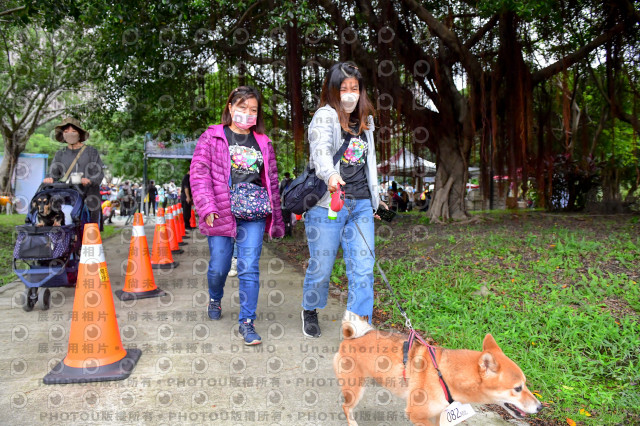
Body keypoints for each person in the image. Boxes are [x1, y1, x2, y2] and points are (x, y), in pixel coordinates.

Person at [190, 85, 285, 345]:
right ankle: (215, 297)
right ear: (230, 108)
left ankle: (247, 322)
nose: (248, 113)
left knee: (249, 266)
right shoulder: (212, 136)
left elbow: (271, 181)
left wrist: (277, 216)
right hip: (220, 210)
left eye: (253, 109)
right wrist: (207, 207)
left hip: (252, 211)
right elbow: (199, 173)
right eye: (242, 107)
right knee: (219, 266)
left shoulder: (263, 142)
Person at [300, 62, 387, 339]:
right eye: (344, 88)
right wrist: (331, 175)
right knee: (321, 267)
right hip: (328, 204)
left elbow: (368, 163)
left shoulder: (366, 122)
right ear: (333, 90)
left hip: (360, 204)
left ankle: (357, 323)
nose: (350, 94)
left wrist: (375, 198)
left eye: (355, 88)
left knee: (363, 267)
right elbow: (321, 151)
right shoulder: (324, 116)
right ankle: (310, 308)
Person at [43, 117, 104, 225]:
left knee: (91, 214)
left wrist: (89, 180)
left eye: (73, 131)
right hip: (67, 193)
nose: (70, 134)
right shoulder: (60, 153)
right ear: (63, 135)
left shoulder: (91, 152)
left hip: (88, 193)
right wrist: (49, 178)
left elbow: (98, 173)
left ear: (79, 133)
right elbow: (53, 172)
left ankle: (91, 230)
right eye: (66, 131)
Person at [279, 172, 293, 237]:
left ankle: (289, 233)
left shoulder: (292, 182)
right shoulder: (283, 182)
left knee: (289, 219)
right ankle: (285, 232)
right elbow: (280, 191)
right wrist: (280, 198)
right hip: (284, 203)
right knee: (284, 218)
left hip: (290, 202)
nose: (287, 176)